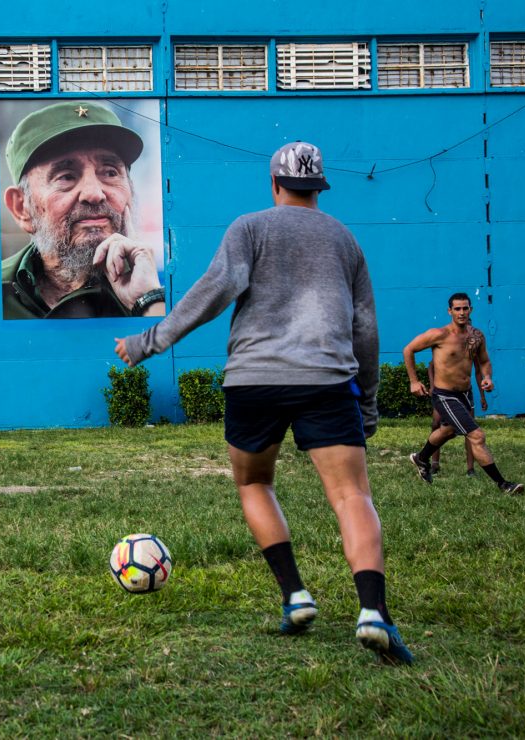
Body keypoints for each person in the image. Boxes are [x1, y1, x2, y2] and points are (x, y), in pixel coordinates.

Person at [114, 141, 413, 665]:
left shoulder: (250, 228)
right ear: (320, 186)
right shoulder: (345, 241)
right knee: (350, 496)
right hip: (326, 378)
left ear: (274, 184)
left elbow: (213, 292)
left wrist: (149, 342)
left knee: (254, 482)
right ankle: (373, 613)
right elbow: (365, 329)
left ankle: (295, 596)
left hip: (253, 381)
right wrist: (367, 401)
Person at [1, 100, 167, 319]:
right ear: (21, 207)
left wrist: (148, 301)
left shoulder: (170, 288)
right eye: (66, 176)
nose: (94, 193)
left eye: (110, 173)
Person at [404, 293, 523, 493]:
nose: (461, 312)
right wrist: (414, 381)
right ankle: (503, 484)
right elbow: (408, 350)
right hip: (445, 395)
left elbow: (484, 361)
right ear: (449, 311)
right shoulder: (438, 334)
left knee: (449, 430)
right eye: (457, 309)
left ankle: (421, 458)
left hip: (465, 394)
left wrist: (487, 377)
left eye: (465, 308)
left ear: (471, 310)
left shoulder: (476, 336)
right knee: (476, 436)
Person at [427, 358, 487, 477]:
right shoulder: (450, 342)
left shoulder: (472, 344)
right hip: (443, 392)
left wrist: (482, 396)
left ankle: (470, 469)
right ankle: (434, 464)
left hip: (464, 393)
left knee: (470, 430)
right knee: (436, 424)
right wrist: (432, 385)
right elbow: (431, 365)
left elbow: (479, 371)